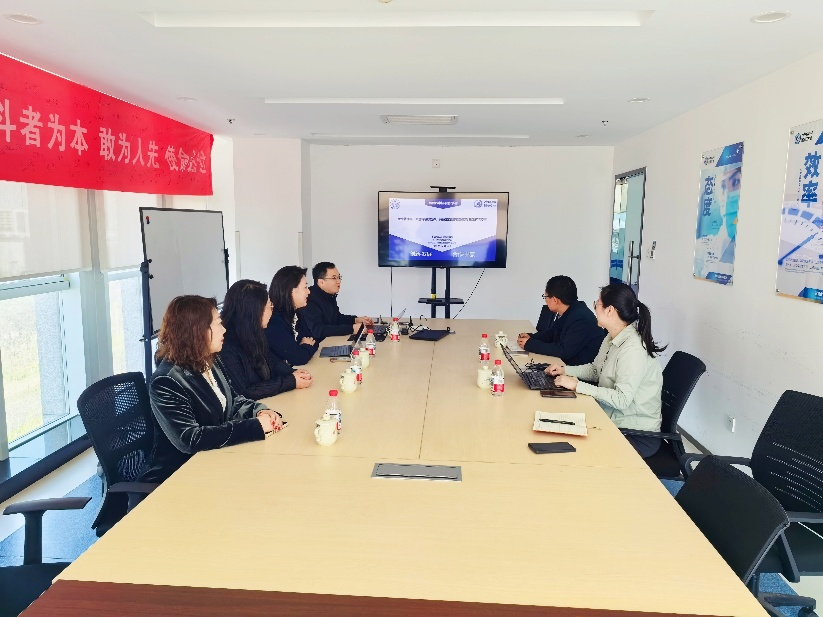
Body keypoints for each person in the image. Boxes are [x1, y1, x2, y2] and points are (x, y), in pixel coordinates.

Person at [140, 295, 284, 483]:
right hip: (178, 476)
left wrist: (259, 411)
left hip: (215, 460)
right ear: (197, 331)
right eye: (217, 324)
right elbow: (190, 439)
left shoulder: (209, 360)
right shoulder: (166, 381)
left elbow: (233, 401)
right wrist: (254, 427)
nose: (224, 329)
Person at [546, 283, 665, 458]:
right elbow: (596, 370)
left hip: (635, 433)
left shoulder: (632, 350)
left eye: (597, 304)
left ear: (610, 310)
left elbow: (622, 400)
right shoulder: (611, 336)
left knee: (571, 448)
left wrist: (578, 386)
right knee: (559, 424)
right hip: (612, 417)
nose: (595, 308)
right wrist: (565, 370)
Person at [220, 279, 313, 399]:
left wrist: (292, 373)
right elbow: (245, 391)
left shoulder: (254, 332)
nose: (272, 311)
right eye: (270, 306)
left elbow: (271, 361)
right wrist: (291, 381)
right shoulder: (227, 346)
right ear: (255, 311)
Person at [516, 276, 605, 365]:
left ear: (555, 300)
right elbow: (551, 333)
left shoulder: (581, 318)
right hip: (565, 364)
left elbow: (564, 351)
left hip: (579, 369)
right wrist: (531, 337)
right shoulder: (571, 310)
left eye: (545, 296)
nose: (545, 300)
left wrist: (530, 344)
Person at [298, 261, 373, 341]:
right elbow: (318, 330)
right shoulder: (309, 299)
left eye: (339, 277)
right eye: (334, 278)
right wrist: (352, 329)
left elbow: (337, 319)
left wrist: (355, 320)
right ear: (321, 282)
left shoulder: (329, 295)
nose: (339, 281)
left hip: (328, 341)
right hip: (314, 345)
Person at [265, 266, 318, 366]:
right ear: (291, 291)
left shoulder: (296, 313)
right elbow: (298, 358)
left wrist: (303, 347)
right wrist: (305, 346)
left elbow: (313, 341)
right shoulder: (274, 321)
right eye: (305, 287)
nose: (309, 292)